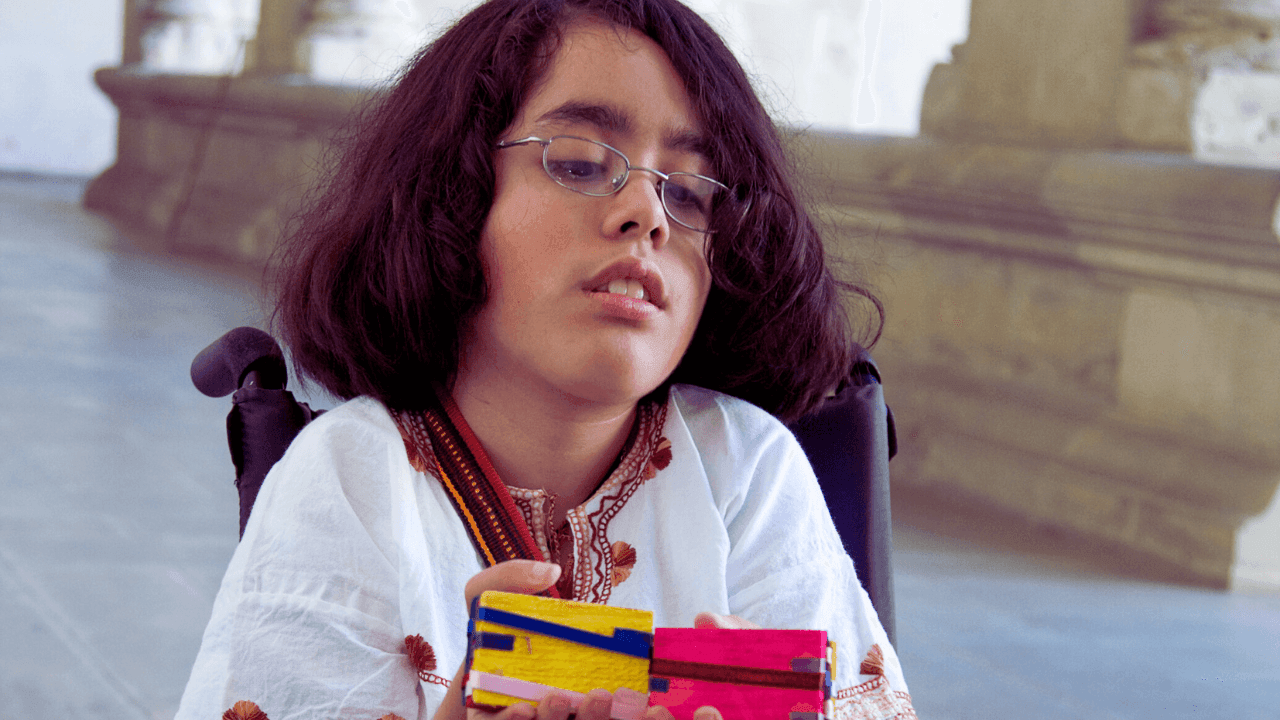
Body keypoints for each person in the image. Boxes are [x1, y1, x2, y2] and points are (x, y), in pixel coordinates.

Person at [176, 0, 914, 718]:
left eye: (689, 193)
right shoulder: (350, 477)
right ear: (452, 195)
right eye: (581, 163)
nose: (648, 214)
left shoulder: (747, 466)